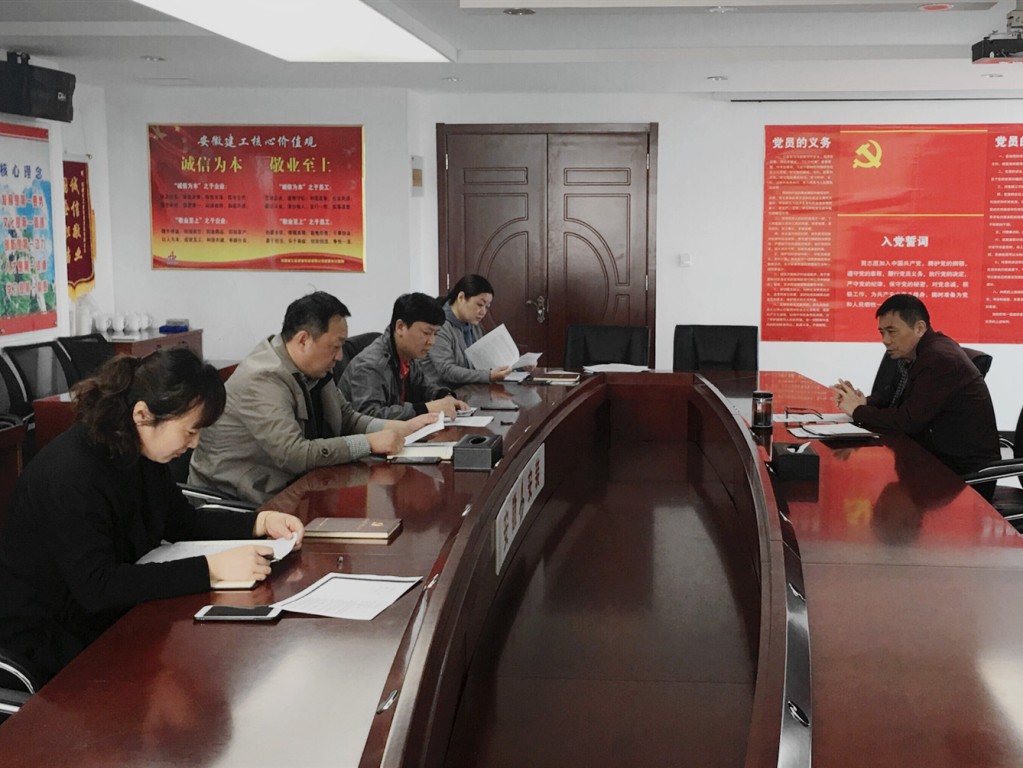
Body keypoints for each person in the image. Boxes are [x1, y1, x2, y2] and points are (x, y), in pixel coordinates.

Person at [0, 348, 305, 685]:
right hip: (52, 643)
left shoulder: (139, 449)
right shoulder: (72, 474)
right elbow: (98, 587)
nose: (194, 444)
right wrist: (212, 570)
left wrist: (259, 523)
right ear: (143, 414)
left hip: (112, 618)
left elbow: (183, 523)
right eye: (190, 431)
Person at [188, 291, 437, 504]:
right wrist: (368, 443)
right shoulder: (262, 378)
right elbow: (294, 454)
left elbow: (346, 417)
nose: (340, 357)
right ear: (303, 340)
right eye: (335, 346)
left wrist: (400, 428)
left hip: (288, 488)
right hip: (235, 501)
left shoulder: (314, 370)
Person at [832, 294, 999, 496]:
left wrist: (858, 411)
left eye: (892, 332)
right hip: (936, 460)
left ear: (919, 328)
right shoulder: (917, 353)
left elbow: (907, 421)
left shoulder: (938, 359)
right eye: (882, 332)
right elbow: (893, 397)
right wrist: (864, 402)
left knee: (861, 484)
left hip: (963, 476)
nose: (885, 340)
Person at [340, 292, 469, 420]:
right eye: (426, 333)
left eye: (435, 334)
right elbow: (369, 415)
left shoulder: (408, 355)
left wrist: (445, 396)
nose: (432, 342)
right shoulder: (371, 365)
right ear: (400, 327)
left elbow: (424, 388)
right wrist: (425, 408)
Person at [423, 274, 513, 387]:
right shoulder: (439, 326)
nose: (483, 312)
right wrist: (489, 376)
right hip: (442, 392)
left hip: (468, 388)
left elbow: (485, 357)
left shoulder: (472, 324)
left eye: (487, 307)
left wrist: (518, 366)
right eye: (480, 304)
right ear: (461, 297)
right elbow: (447, 370)